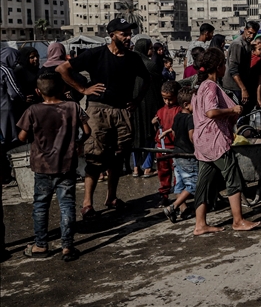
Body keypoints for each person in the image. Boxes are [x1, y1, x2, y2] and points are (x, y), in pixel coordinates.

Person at [57, 18, 150, 219]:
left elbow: (147, 79)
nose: (128, 37)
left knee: (118, 156)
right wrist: (83, 89)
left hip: (122, 112)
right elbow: (62, 69)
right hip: (98, 111)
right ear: (112, 35)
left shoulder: (133, 58)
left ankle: (111, 198)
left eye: (129, 34)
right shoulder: (96, 54)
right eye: (123, 34)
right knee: (95, 157)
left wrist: (136, 101)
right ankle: (87, 204)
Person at [17, 73, 90, 262]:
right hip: (66, 164)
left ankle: (41, 245)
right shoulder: (73, 107)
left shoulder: (33, 110)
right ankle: (67, 247)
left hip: (42, 166)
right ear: (64, 89)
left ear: (37, 91)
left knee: (41, 205)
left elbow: (22, 137)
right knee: (67, 205)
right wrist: (78, 143)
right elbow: (87, 131)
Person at [192, 48, 261, 235]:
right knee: (233, 177)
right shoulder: (211, 86)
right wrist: (233, 110)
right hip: (215, 140)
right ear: (219, 66)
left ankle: (200, 224)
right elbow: (211, 112)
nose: (226, 68)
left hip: (202, 141)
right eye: (224, 64)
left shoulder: (200, 86)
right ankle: (238, 221)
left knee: (204, 182)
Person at [163, 86, 196, 223]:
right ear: (187, 104)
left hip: (176, 154)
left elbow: (174, 133)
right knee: (194, 184)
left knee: (179, 185)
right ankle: (173, 206)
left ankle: (183, 209)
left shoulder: (177, 116)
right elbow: (192, 137)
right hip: (188, 156)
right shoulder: (190, 118)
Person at [131, 38, 162, 179]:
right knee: (150, 134)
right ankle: (147, 167)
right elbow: (158, 86)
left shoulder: (129, 64)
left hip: (133, 104)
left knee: (135, 134)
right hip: (150, 104)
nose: (152, 51)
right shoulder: (151, 65)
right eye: (150, 48)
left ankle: (135, 167)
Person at [154, 81, 182, 207]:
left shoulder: (180, 110)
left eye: (170, 99)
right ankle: (164, 195)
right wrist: (154, 122)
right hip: (162, 146)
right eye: (164, 99)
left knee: (177, 173)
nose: (167, 102)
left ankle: (179, 197)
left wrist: (168, 131)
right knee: (163, 172)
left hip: (175, 147)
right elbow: (157, 127)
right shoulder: (160, 111)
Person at [222, 21, 260, 114]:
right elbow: (233, 69)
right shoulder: (238, 44)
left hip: (240, 85)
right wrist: (243, 89)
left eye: (254, 34)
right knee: (237, 114)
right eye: (249, 33)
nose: (251, 36)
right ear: (245, 30)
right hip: (234, 86)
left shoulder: (247, 43)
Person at [13, 46, 40, 111]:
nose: (36, 59)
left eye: (37, 56)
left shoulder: (38, 70)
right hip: (24, 106)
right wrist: (22, 97)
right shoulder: (19, 71)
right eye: (32, 57)